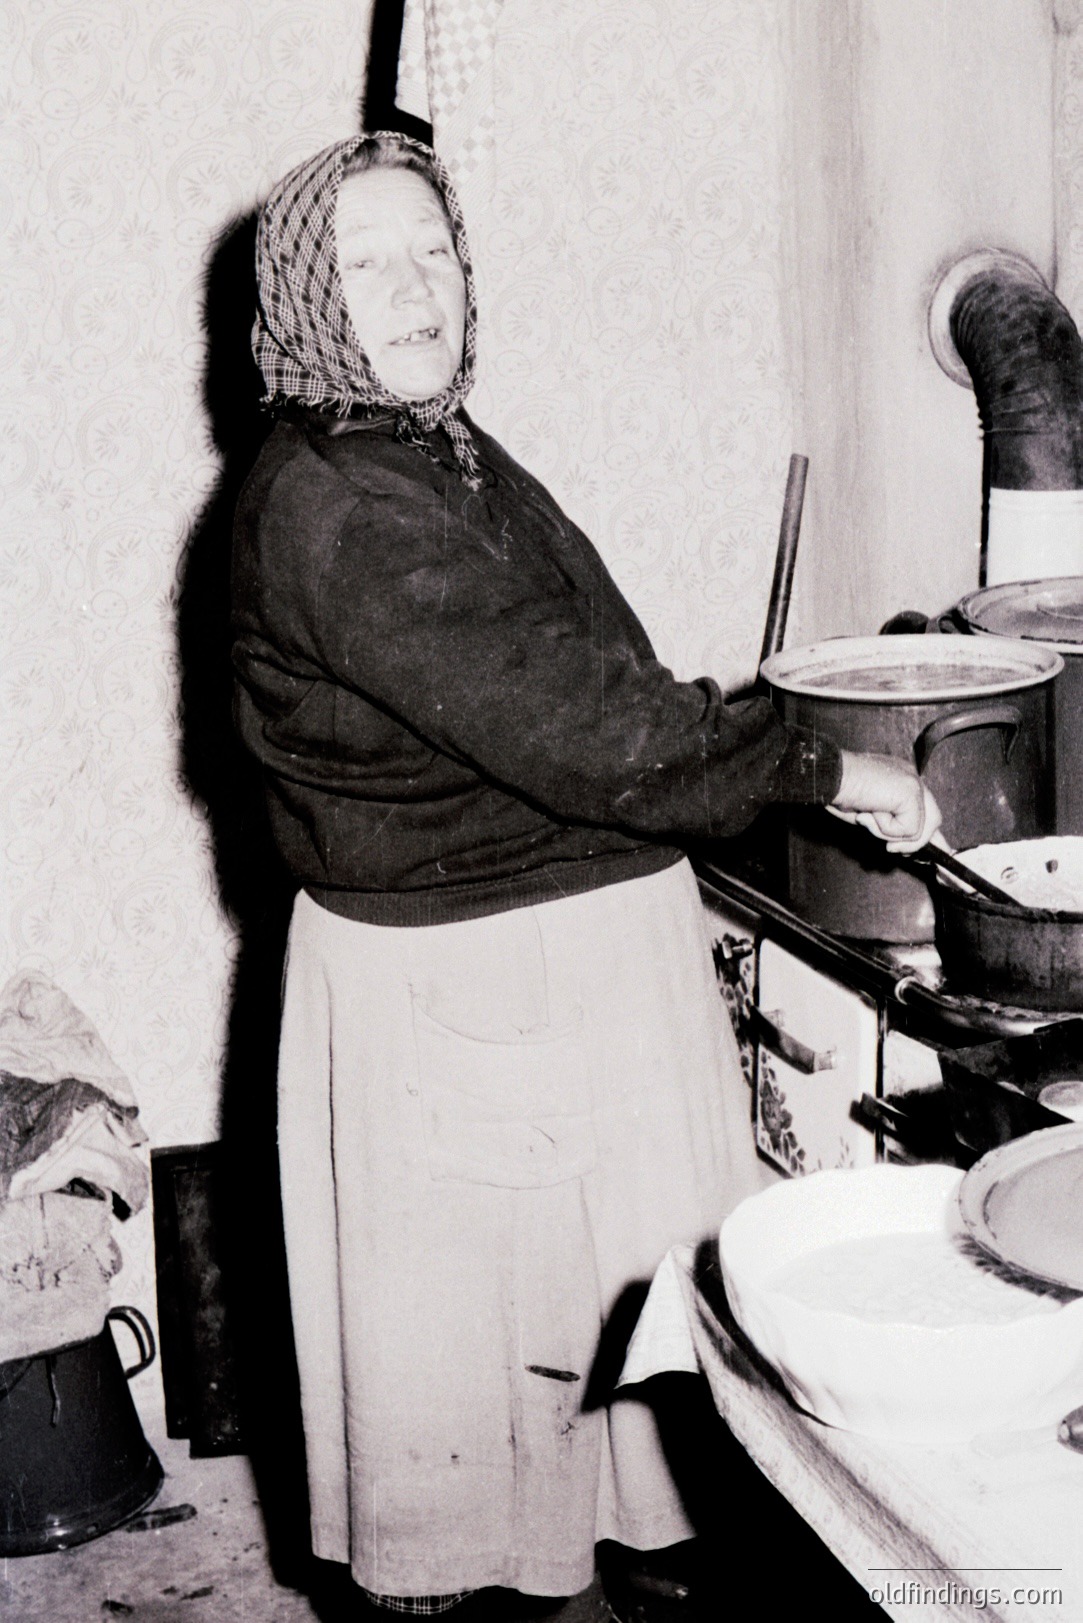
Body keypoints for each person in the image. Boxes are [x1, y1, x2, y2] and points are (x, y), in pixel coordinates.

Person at [231, 132, 939, 1619]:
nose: (412, 289)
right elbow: (582, 724)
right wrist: (813, 764)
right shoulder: (342, 505)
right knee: (484, 1469)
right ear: (304, 295)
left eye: (432, 249)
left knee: (577, 1421)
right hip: (482, 991)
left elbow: (583, 672)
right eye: (363, 263)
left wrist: (725, 730)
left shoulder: (428, 453)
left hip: (535, 978)